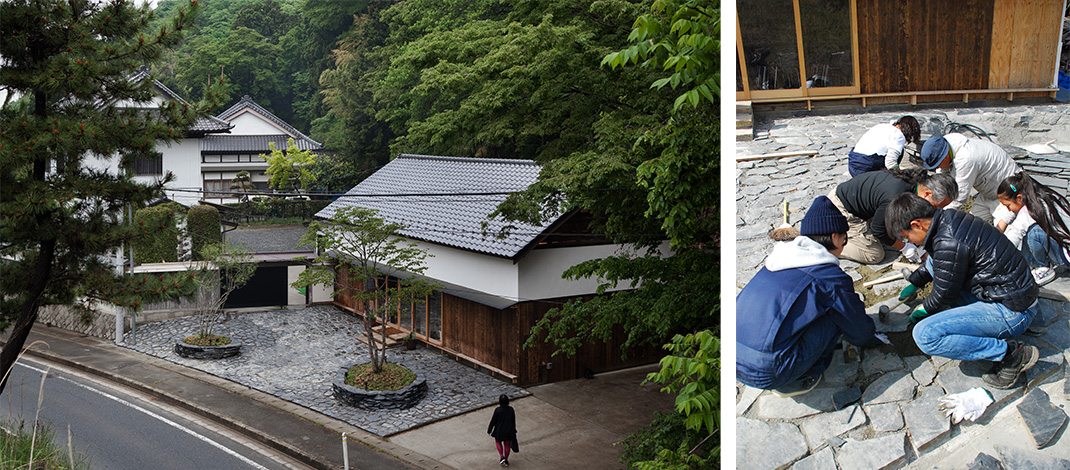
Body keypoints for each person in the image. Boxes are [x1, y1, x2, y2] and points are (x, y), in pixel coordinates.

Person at [886, 193, 1039, 389]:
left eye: (906, 237)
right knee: (938, 273)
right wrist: (916, 281)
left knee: (925, 335)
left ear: (917, 224)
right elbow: (938, 262)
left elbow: (944, 292)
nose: (910, 243)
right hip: (1011, 293)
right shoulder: (947, 219)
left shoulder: (948, 241)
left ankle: (1010, 354)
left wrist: (924, 308)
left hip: (1013, 310)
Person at [737, 196, 886, 397]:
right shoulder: (830, 278)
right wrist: (873, 338)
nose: (844, 244)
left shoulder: (776, 260)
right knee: (837, 317)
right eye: (845, 239)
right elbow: (857, 327)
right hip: (769, 372)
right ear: (835, 237)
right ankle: (803, 373)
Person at [829, 169, 958, 264]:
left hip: (864, 204)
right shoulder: (896, 196)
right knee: (875, 254)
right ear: (928, 193)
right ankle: (829, 245)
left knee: (897, 230)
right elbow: (878, 230)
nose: (935, 211)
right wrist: (904, 247)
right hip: (842, 209)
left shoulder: (917, 184)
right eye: (936, 206)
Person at [920, 133, 1021, 224]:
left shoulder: (966, 158)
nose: (938, 168)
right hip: (988, 191)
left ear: (945, 156)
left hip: (1008, 194)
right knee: (972, 223)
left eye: (937, 165)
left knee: (1003, 234)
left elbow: (960, 196)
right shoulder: (946, 146)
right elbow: (943, 178)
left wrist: (939, 216)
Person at [995, 172, 1070, 286]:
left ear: (1019, 198)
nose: (1009, 210)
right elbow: (1012, 217)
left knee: (1033, 232)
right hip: (1063, 248)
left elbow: (1014, 235)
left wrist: (997, 257)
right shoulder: (1043, 198)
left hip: (1066, 253)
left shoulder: (1029, 212)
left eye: (1008, 206)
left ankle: (1043, 268)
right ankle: (1030, 266)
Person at [847, 116, 921, 176]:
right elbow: (890, 162)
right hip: (865, 167)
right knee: (900, 152)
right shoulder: (899, 135)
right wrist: (900, 176)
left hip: (853, 163)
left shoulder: (882, 126)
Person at [487, 394, 517, 467]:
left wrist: (489, 430)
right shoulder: (511, 409)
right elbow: (513, 421)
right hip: (509, 431)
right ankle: (506, 460)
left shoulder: (498, 410)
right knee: (507, 445)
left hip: (499, 430)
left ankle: (501, 456)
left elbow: (493, 420)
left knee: (498, 442)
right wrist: (513, 430)